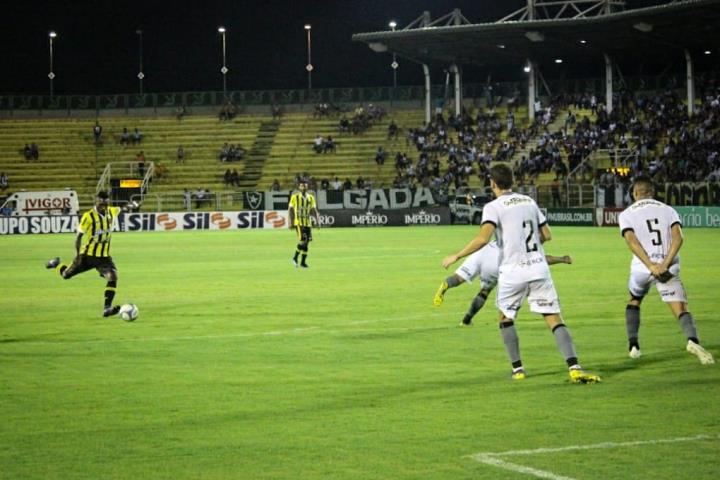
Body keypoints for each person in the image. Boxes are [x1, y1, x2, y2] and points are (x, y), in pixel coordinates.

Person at [442, 163, 600, 383]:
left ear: (492, 183)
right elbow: (547, 234)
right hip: (538, 268)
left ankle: (518, 370)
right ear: (512, 181)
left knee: (506, 318)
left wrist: (456, 256)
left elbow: (482, 238)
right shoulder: (529, 201)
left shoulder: (493, 207)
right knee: (553, 318)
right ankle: (574, 367)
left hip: (512, 271)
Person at [618, 175, 714, 364]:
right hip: (668, 266)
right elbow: (678, 238)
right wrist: (664, 264)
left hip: (642, 269)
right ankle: (692, 341)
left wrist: (650, 266)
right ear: (652, 192)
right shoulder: (669, 210)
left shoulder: (626, 213)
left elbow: (631, 241)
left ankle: (634, 346)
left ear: (635, 193)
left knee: (635, 299)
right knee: (680, 308)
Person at [45, 191, 140, 317]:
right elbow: (78, 237)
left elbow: (122, 208)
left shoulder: (111, 212)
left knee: (113, 277)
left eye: (106, 203)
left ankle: (107, 308)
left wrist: (132, 205)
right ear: (96, 201)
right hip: (87, 256)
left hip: (104, 257)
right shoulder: (88, 216)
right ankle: (56, 264)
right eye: (101, 202)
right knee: (66, 275)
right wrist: (77, 255)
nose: (103, 205)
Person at [434, 241, 573, 326]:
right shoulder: (519, 243)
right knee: (485, 291)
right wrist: (562, 259)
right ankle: (465, 321)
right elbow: (543, 259)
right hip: (497, 261)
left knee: (458, 278)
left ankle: (445, 287)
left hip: (480, 253)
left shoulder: (501, 235)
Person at [288, 179, 320, 268]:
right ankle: (294, 258)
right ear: (299, 187)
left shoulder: (311, 197)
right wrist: (290, 221)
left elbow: (313, 210)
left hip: (308, 223)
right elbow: (290, 209)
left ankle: (303, 262)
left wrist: (317, 221)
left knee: (307, 242)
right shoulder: (295, 197)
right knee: (303, 241)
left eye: (305, 185)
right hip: (299, 222)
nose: (303, 187)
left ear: (307, 187)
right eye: (302, 185)